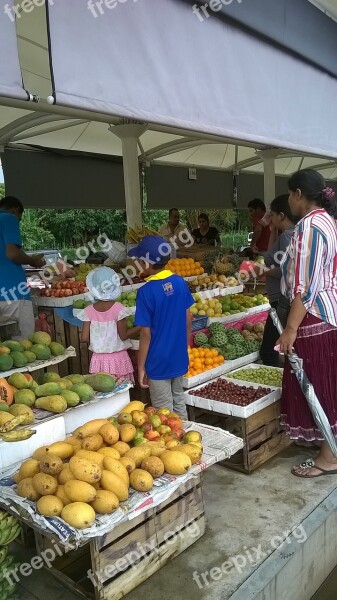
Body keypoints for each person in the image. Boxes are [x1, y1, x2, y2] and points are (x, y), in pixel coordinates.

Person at [277, 169, 337, 478]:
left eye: (290, 194)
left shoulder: (309, 227)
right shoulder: (328, 220)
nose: (289, 200)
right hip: (327, 314)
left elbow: (304, 287)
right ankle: (329, 447)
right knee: (327, 383)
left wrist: (290, 329)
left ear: (299, 194)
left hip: (312, 316)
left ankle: (328, 458)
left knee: (317, 386)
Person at [129, 235, 194, 418]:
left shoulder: (145, 291)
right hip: (178, 356)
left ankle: (176, 445)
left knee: (164, 412)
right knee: (179, 401)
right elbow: (188, 318)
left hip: (158, 361)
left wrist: (141, 367)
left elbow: (145, 334)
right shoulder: (180, 282)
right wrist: (185, 345)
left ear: (146, 263)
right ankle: (189, 440)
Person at [79, 267, 140, 382]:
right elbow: (124, 335)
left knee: (103, 390)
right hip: (118, 359)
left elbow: (84, 338)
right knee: (122, 392)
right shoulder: (119, 309)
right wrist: (141, 327)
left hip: (98, 360)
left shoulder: (88, 311)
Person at [259, 195, 298, 367]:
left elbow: (286, 271)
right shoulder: (285, 234)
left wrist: (262, 271)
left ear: (281, 215)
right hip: (278, 297)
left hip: (280, 299)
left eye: (272, 214)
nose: (270, 218)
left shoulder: (288, 237)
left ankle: (278, 387)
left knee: (268, 351)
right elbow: (270, 256)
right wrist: (272, 230)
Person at [0, 196, 45, 339]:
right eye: (19, 218)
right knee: (25, 346)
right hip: (13, 293)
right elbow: (12, 253)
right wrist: (32, 261)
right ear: (16, 210)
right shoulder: (8, 218)